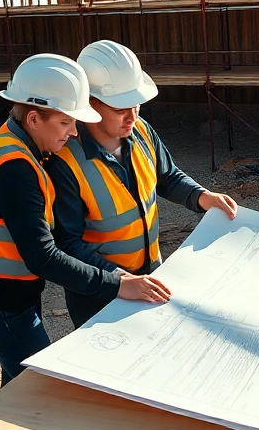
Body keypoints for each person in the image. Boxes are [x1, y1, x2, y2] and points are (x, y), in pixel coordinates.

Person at [0, 53, 172, 430]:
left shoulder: (18, 143)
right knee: (54, 401)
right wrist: (117, 282)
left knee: (22, 396)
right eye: (64, 123)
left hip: (10, 300)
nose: (74, 131)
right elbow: (45, 256)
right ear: (33, 117)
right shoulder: (17, 170)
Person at [46, 40, 238, 327]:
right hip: (98, 293)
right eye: (121, 108)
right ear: (91, 103)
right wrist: (120, 280)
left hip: (151, 272)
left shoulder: (142, 132)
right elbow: (67, 244)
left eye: (136, 105)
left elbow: (168, 176)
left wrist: (201, 196)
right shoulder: (65, 162)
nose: (132, 116)